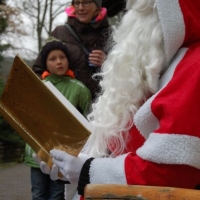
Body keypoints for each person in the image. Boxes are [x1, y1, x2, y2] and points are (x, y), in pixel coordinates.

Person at [34, 0, 200, 199]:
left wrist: (86, 170)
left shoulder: (193, 66)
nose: (131, 19)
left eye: (143, 11)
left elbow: (168, 173)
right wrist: (73, 164)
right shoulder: (150, 68)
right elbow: (121, 142)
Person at [25, 38, 91, 200]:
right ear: (45, 63)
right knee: (38, 194)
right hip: (37, 152)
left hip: (63, 154)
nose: (59, 62)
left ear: (68, 60)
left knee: (57, 195)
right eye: (52, 59)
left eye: (62, 57)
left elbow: (88, 121)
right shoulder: (37, 87)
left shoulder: (79, 89)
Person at [32, 0, 111, 101]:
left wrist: (107, 63)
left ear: (97, 6)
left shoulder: (110, 35)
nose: (81, 8)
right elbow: (38, 71)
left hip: (100, 106)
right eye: (77, 3)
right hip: (64, 105)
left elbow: (124, 76)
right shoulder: (60, 32)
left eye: (86, 2)